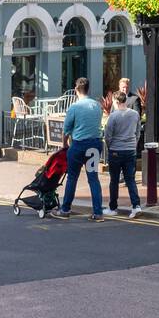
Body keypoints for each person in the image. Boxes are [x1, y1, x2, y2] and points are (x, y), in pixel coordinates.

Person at [53, 78, 104, 222]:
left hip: (79, 145)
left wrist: (64, 144)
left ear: (76, 90)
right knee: (93, 179)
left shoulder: (74, 107)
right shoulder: (97, 105)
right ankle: (98, 213)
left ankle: (65, 209)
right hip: (94, 145)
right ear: (88, 89)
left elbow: (67, 129)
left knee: (72, 178)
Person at [103, 83, 142, 218]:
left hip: (116, 151)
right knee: (130, 179)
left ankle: (113, 208)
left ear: (116, 101)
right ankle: (136, 206)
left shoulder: (113, 116)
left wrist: (110, 147)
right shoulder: (135, 114)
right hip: (131, 151)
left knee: (114, 180)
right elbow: (138, 133)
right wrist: (133, 144)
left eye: (113, 102)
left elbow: (108, 136)